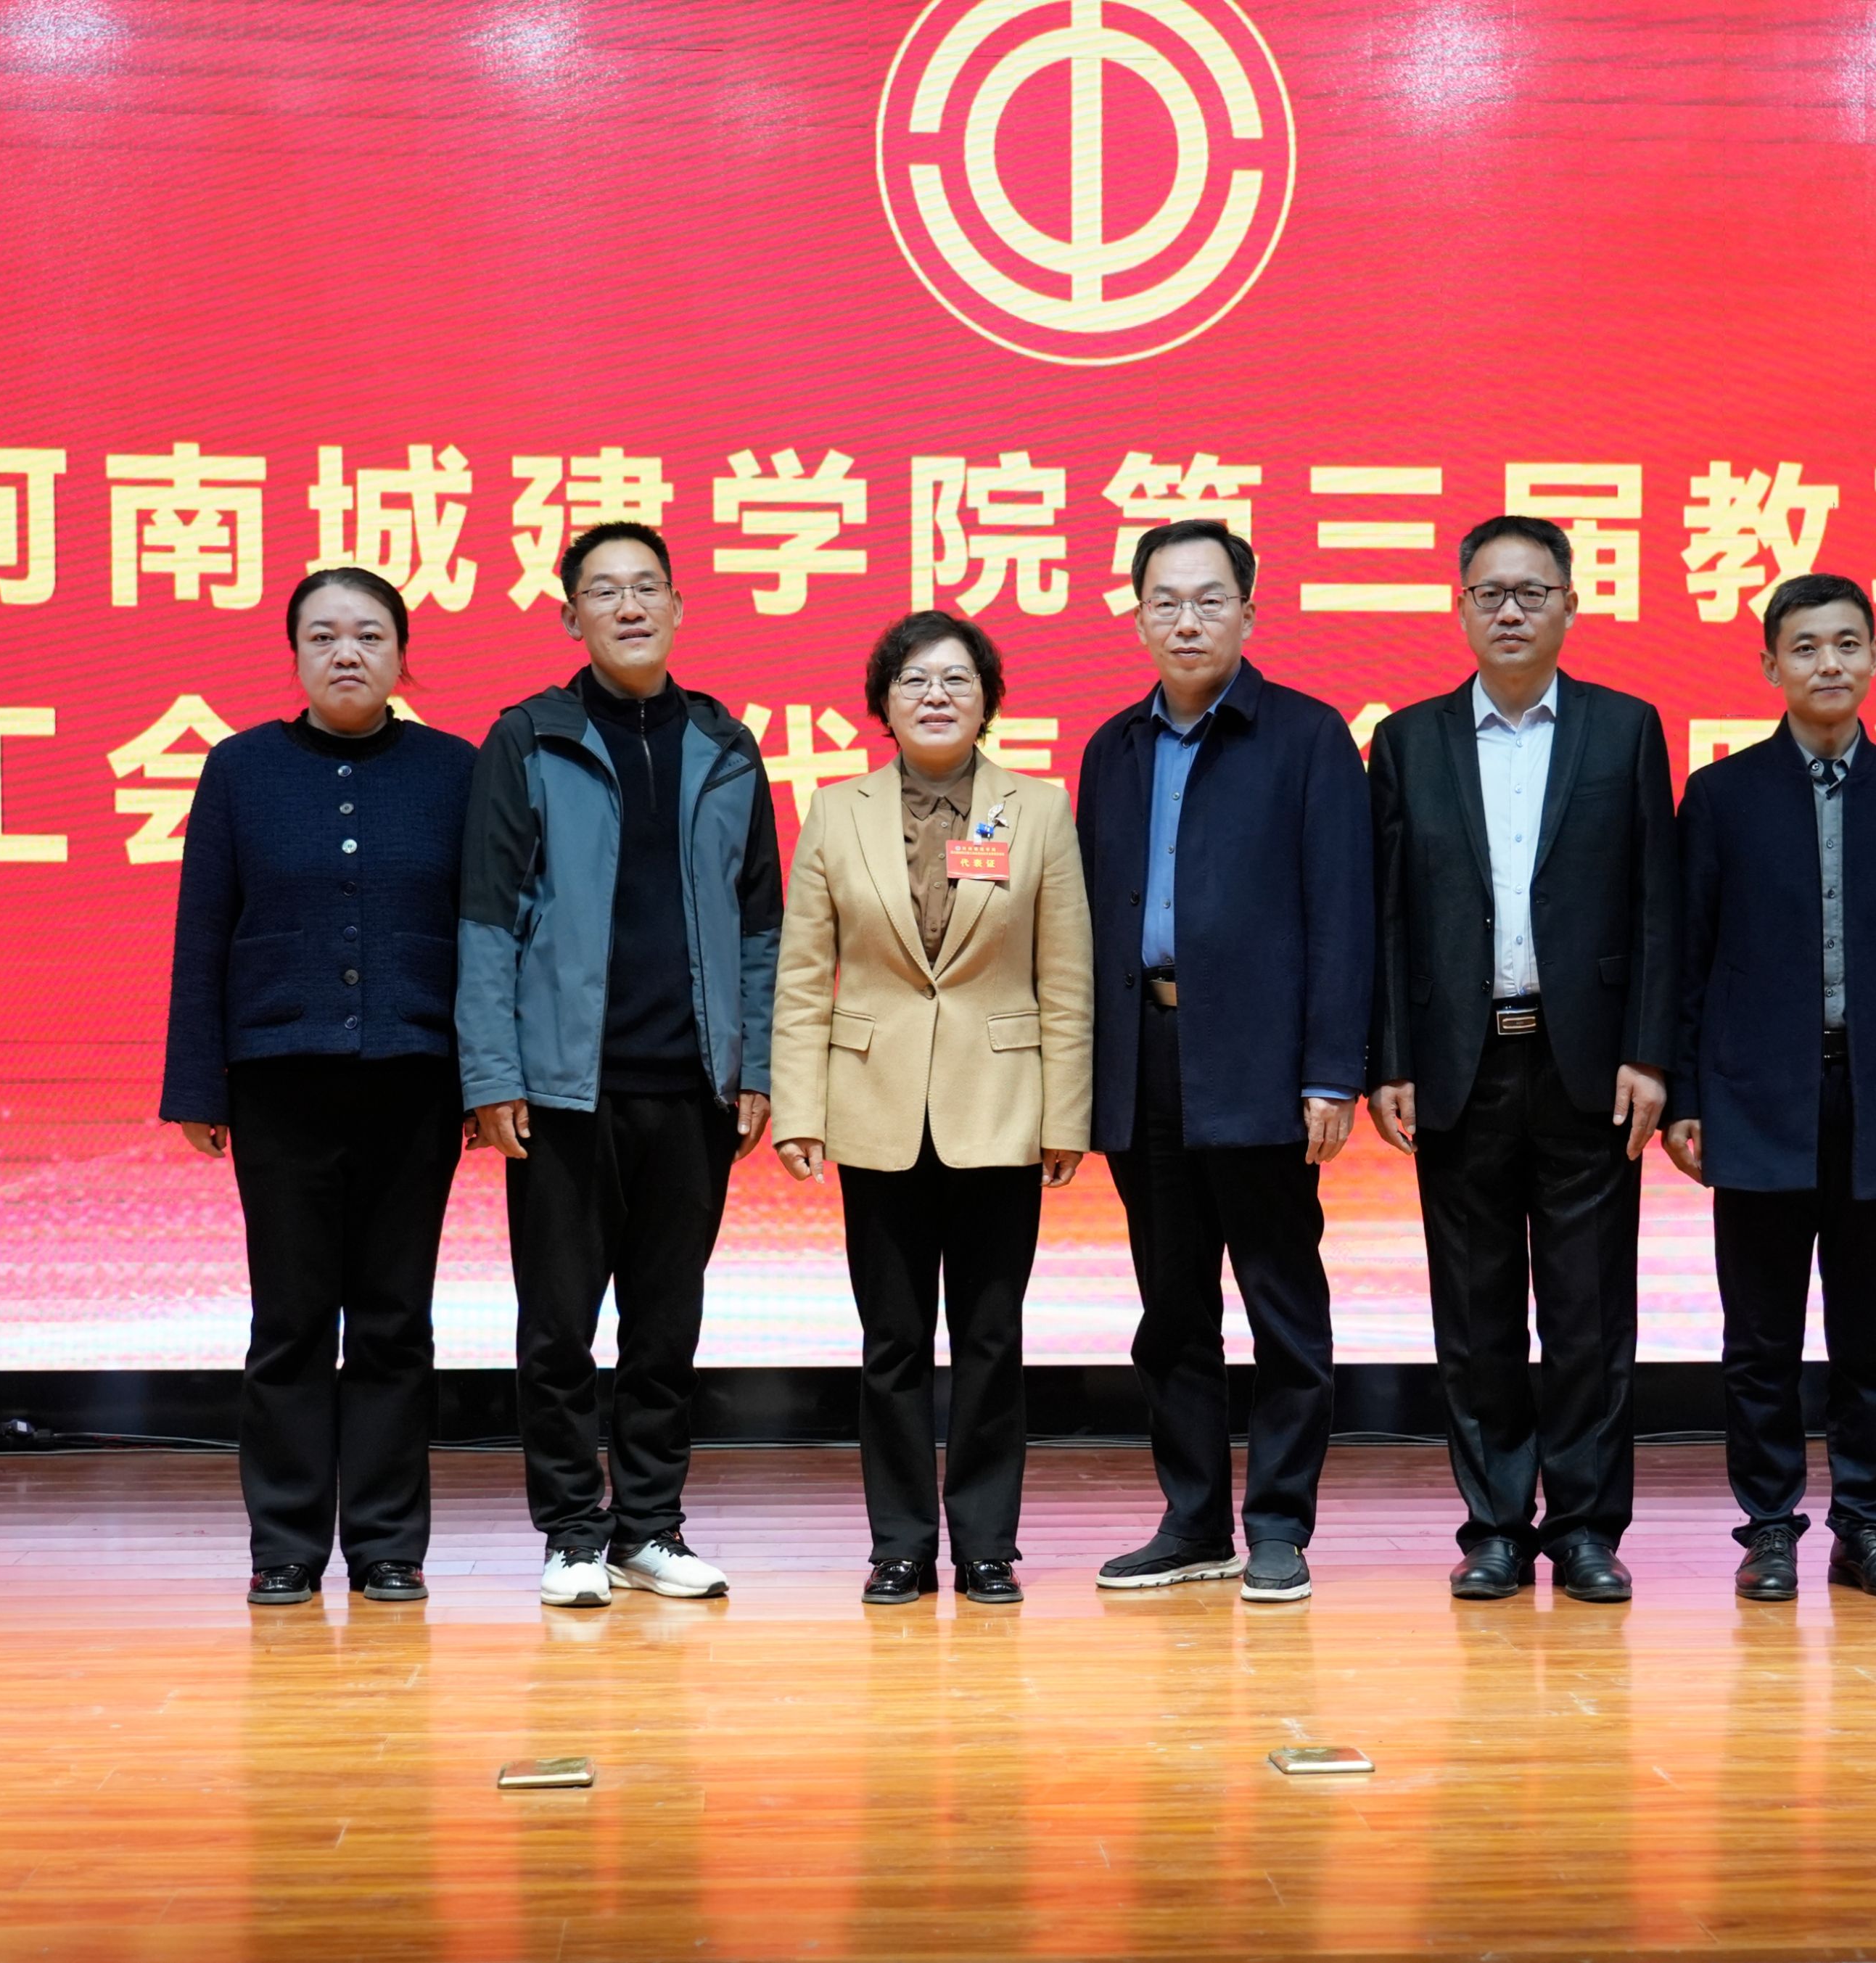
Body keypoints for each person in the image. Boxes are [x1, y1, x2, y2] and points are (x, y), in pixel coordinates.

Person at [456, 522, 781, 1609]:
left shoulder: (727, 745)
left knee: (665, 1327)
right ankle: (569, 1533)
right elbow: (487, 919)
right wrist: (491, 1075)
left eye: (648, 587)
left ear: (679, 607)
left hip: (691, 1088)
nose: (630, 606)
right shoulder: (529, 739)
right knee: (557, 1328)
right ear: (570, 618)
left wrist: (757, 1065)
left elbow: (760, 926)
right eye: (605, 591)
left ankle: (649, 1526)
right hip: (562, 1090)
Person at [1365, 514, 1679, 1605]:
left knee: (1590, 1314)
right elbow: (1388, 917)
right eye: (1489, 592)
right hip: (1459, 1063)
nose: (1510, 610)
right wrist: (1390, 1059)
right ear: (1459, 607)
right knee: (1476, 1315)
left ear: (1569, 606)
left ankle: (1586, 1526)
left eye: (1531, 592)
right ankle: (1496, 1526)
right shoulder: (1407, 741)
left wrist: (1651, 1051)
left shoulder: (1625, 729)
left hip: (1587, 1063)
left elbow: (1656, 902)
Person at [160, 567, 480, 1608]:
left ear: (402, 656)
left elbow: (486, 935)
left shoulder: (454, 770)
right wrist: (198, 1083)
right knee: (291, 1320)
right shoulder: (240, 768)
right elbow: (204, 929)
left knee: (394, 1321)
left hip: (415, 1081)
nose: (347, 653)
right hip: (279, 1084)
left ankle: (387, 1544)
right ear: (295, 655)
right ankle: (286, 1545)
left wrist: (487, 1079)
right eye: (324, 636)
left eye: (370, 635)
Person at [1074, 517, 1372, 1606]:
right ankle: (1193, 1520)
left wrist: (1331, 1072)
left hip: (1261, 1060)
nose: (1187, 620)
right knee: (1172, 1313)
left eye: (1209, 600)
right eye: (1166, 601)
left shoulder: (1308, 736)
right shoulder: (1111, 748)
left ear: (1250, 611)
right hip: (1145, 1054)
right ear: (1138, 616)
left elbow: (1344, 914)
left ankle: (1280, 1524)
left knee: (1283, 1306)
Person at [771, 611, 1092, 1607]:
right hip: (876, 1109)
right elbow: (803, 974)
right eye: (913, 680)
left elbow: (1066, 973)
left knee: (992, 1341)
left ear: (988, 698)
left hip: (1001, 1107)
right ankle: (901, 1544)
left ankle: (988, 1544)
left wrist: (1066, 1114)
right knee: (893, 1344)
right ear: (883, 701)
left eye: (957, 678)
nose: (936, 695)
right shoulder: (837, 810)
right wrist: (799, 1106)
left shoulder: (1038, 809)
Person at [1663, 572, 1876, 1602]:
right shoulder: (1722, 796)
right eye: (1805, 647)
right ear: (1769, 667)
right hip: (1757, 1100)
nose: (1828, 663)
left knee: (1872, 1340)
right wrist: (1688, 1097)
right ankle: (1768, 1529)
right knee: (1759, 1340)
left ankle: (1866, 1528)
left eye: (1847, 643)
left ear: (1875, 657)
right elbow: (1690, 961)